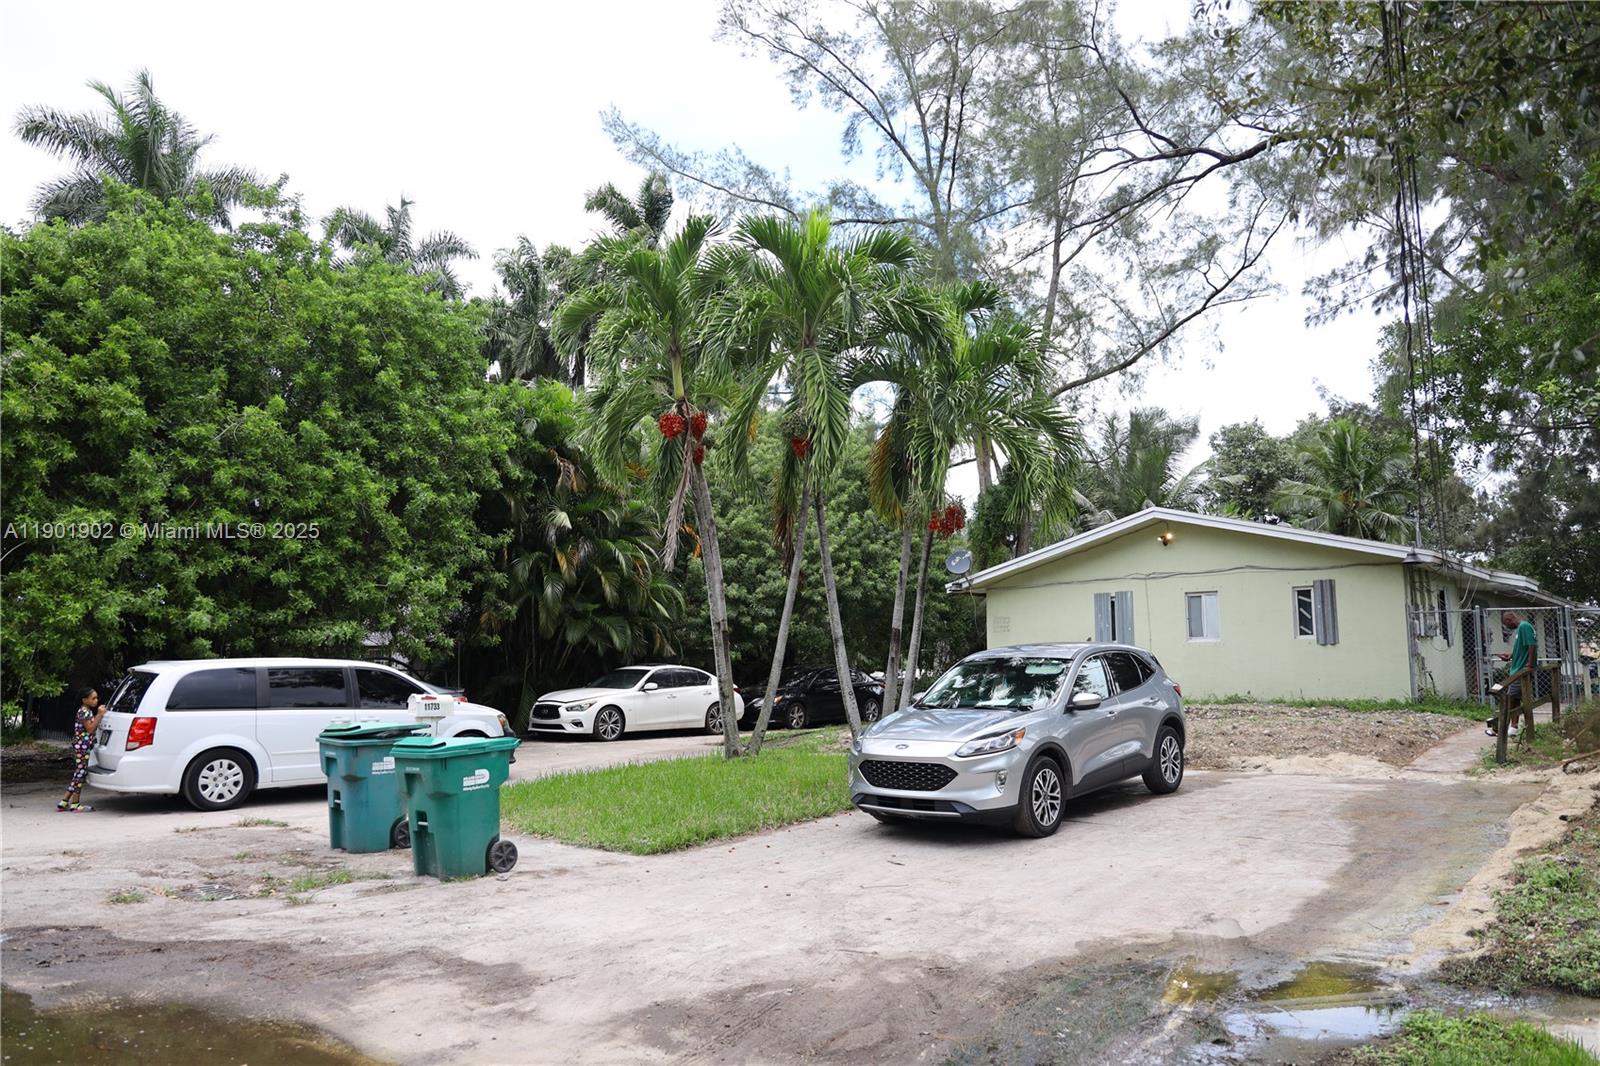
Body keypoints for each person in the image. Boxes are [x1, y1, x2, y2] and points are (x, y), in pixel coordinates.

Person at [1486, 611, 1539, 737]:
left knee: (1509, 699)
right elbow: (1523, 648)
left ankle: (1498, 728)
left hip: (1520, 671)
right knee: (1515, 700)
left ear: (1510, 619)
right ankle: (1513, 728)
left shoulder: (1524, 627)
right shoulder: (1521, 629)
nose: (1507, 627)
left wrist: (1530, 665)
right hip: (1516, 669)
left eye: (1506, 624)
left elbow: (1532, 645)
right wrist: (1510, 656)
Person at [58, 685, 107, 812]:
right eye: (93, 698)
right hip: (83, 746)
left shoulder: (84, 710)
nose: (96, 701)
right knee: (80, 773)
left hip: (82, 745)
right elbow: (90, 728)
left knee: (79, 773)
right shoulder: (85, 711)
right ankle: (75, 804)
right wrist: (100, 714)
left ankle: (64, 801)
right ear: (84, 700)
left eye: (97, 698)